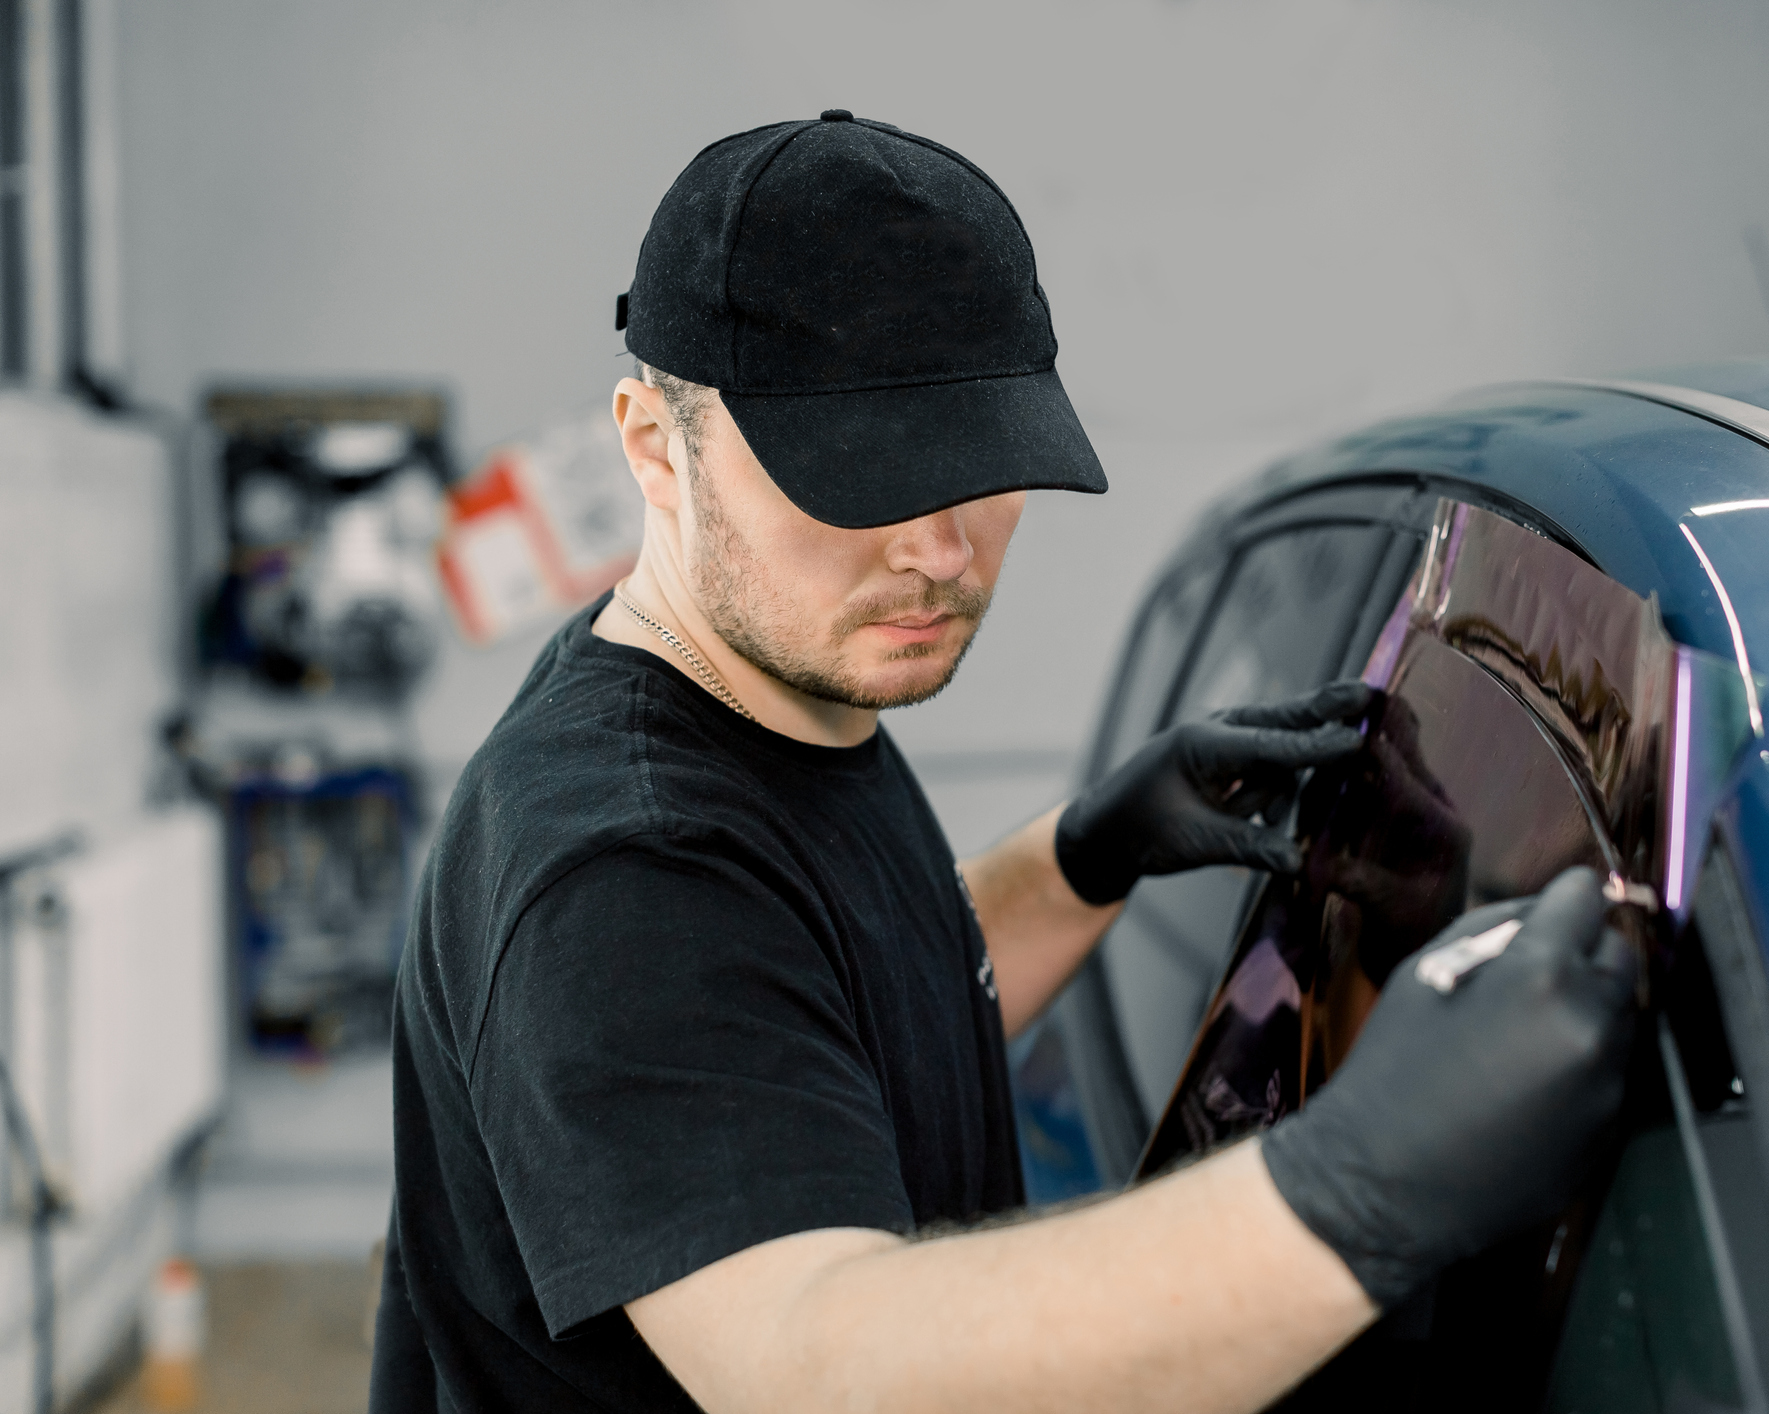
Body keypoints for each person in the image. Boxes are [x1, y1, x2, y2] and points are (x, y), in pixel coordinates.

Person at [370, 111, 1636, 1414]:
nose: (939, 546)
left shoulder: (767, 699)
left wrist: (1085, 857)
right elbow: (810, 1358)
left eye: (976, 465)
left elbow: (808, 1018)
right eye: (860, 475)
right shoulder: (624, 866)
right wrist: (1361, 1184)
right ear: (653, 445)